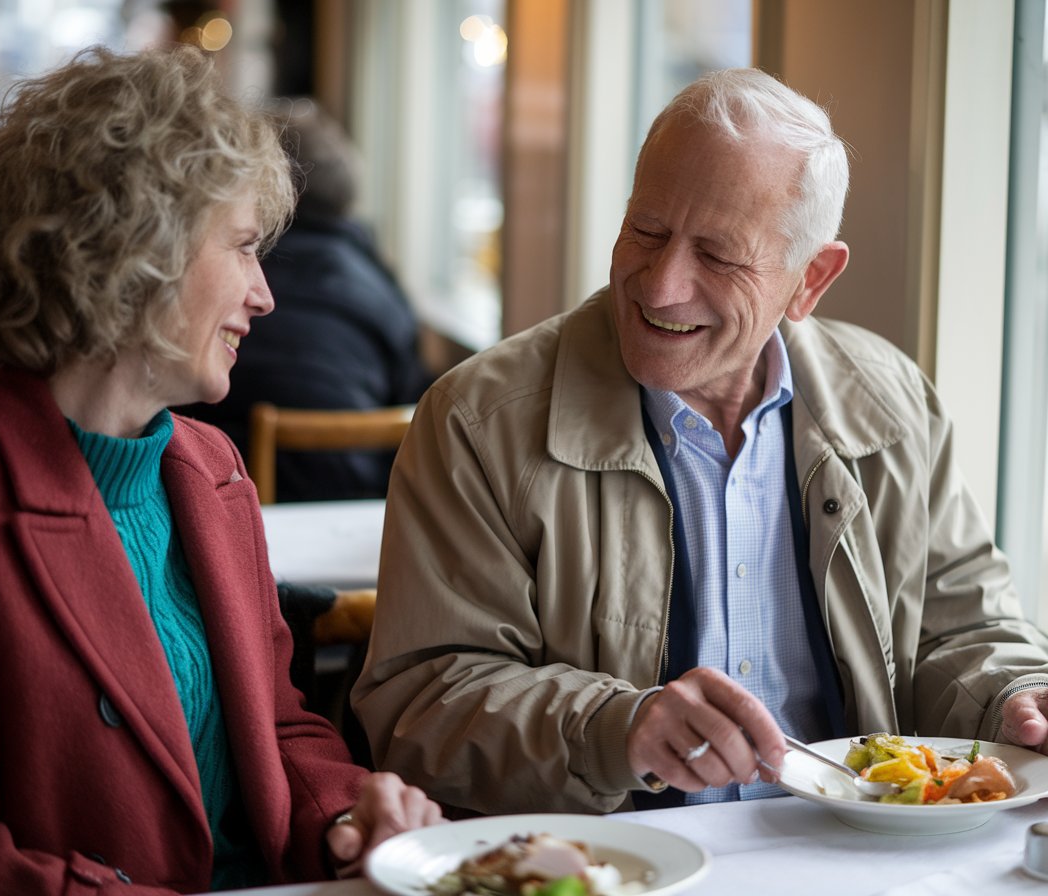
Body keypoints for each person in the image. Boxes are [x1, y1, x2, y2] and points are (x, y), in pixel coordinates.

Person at [351, 67, 1048, 816]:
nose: (660, 286)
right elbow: (421, 703)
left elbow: (963, 626)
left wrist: (1010, 698)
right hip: (615, 866)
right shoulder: (478, 419)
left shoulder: (891, 399)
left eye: (717, 255)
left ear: (809, 280)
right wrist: (614, 730)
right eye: (646, 231)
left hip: (852, 854)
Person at [0, 45, 442, 894]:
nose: (265, 294)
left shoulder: (209, 468)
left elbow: (279, 727)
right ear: (137, 252)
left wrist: (349, 815)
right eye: (242, 247)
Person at [183, 98, 434, 502]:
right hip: (356, 501)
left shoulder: (230, 276)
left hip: (220, 492)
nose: (263, 299)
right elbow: (412, 398)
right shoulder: (378, 284)